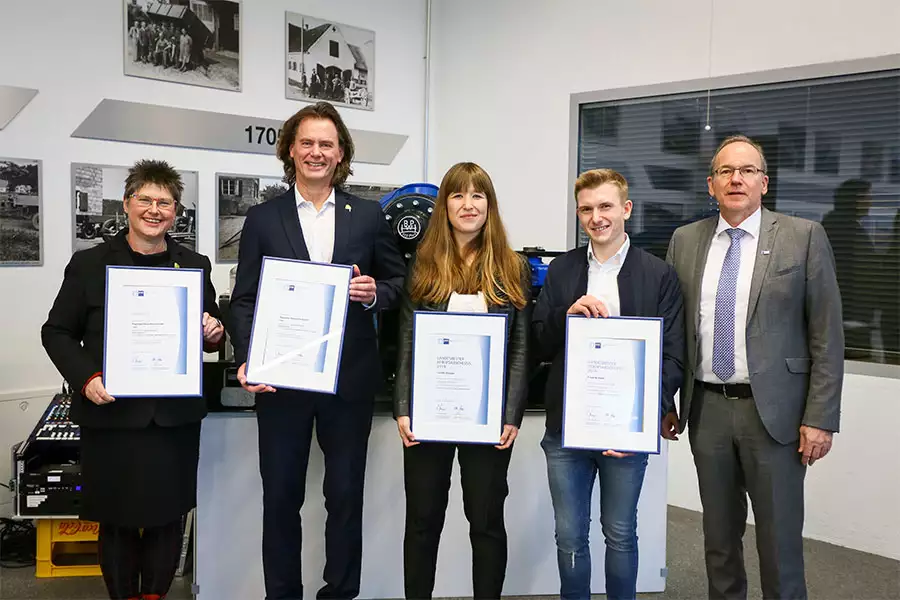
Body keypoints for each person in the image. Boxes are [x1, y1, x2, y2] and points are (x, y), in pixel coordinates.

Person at [229, 101, 406, 600]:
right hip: (281, 379)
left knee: (345, 497)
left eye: (326, 143)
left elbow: (399, 284)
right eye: (306, 142)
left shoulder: (368, 216)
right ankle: (282, 594)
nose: (316, 152)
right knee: (281, 497)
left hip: (348, 381)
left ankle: (340, 593)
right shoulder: (263, 218)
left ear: (341, 153)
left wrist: (375, 294)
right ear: (290, 149)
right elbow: (244, 299)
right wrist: (248, 357)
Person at [665, 135, 844, 600]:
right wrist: (665, 399)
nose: (736, 179)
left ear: (764, 182)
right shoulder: (685, 241)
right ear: (711, 185)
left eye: (746, 171)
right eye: (726, 171)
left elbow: (827, 334)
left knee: (779, 542)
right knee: (718, 541)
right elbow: (672, 331)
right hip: (706, 410)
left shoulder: (803, 237)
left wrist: (820, 418)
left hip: (776, 417)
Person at [41, 160, 225, 600]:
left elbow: (212, 327)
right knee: (117, 518)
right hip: (112, 415)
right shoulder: (89, 265)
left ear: (176, 212)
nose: (154, 209)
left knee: (167, 517)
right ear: (127, 204)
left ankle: (154, 596)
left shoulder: (193, 264)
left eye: (165, 202)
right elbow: (56, 331)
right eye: (145, 199)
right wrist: (85, 377)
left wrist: (215, 331)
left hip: (173, 419)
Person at [532, 169, 684, 600]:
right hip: (566, 431)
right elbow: (540, 342)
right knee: (569, 535)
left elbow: (672, 357)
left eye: (605, 206)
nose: (596, 217)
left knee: (620, 533)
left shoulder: (658, 275)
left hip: (625, 432)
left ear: (626, 209)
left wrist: (638, 420)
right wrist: (565, 315)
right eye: (586, 209)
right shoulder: (561, 270)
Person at [392, 162, 531, 600]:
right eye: (457, 195)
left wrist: (511, 415)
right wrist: (403, 408)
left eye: (477, 195)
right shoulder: (421, 265)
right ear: (443, 205)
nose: (467, 205)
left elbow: (521, 349)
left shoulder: (513, 266)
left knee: (486, 522)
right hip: (428, 417)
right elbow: (407, 341)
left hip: (488, 419)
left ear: (489, 205)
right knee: (422, 522)